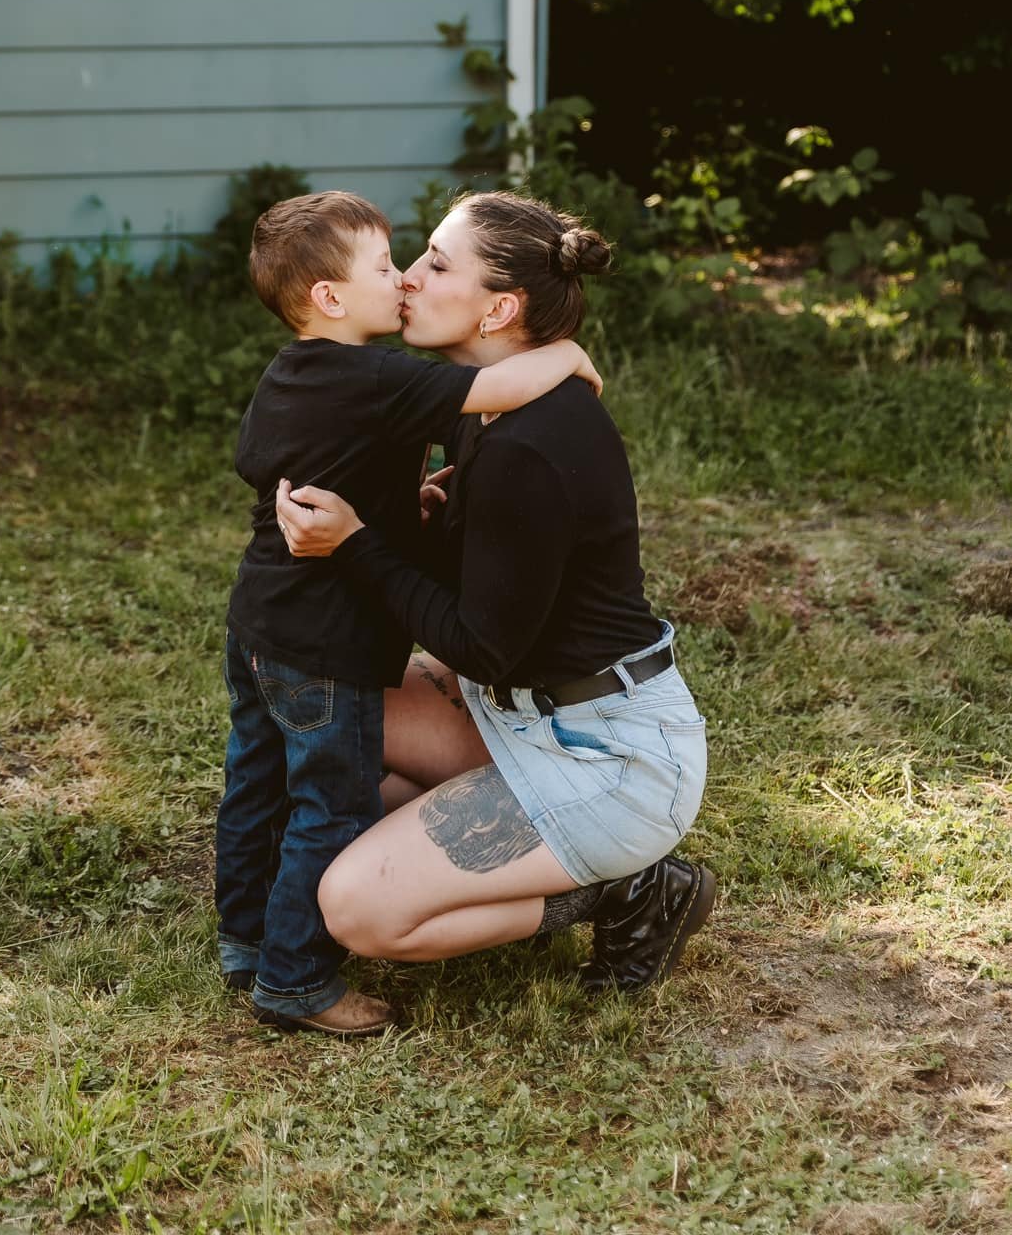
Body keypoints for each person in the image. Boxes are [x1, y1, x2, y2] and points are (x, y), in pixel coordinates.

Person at [275, 190, 714, 998]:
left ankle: (623, 891)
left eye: (436, 264)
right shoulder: (484, 412)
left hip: (608, 756)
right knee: (313, 742)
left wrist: (358, 545)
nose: (407, 278)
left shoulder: (533, 443)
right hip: (511, 710)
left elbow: (477, 642)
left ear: (499, 308)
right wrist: (417, 523)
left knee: (357, 909)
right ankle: (536, 853)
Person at [218, 190, 603, 1037]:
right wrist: (568, 355)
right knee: (333, 804)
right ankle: (295, 979)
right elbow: (497, 383)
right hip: (328, 647)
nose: (402, 283)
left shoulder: (293, 372)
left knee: (257, 787)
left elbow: (283, 460)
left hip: (259, 629)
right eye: (388, 268)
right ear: (329, 298)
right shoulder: (371, 376)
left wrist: (398, 508)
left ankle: (244, 942)